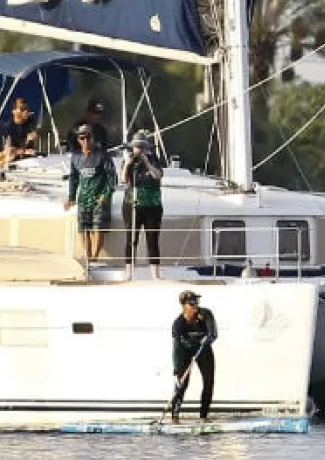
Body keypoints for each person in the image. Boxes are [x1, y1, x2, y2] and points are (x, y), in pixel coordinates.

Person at [63, 123, 117, 263]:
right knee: (82, 228)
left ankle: (94, 257)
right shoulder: (75, 157)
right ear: (78, 140)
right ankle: (87, 257)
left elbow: (113, 179)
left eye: (88, 137)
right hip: (84, 197)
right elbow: (74, 177)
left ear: (93, 138)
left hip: (99, 198)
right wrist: (71, 197)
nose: (85, 141)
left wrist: (105, 195)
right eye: (82, 138)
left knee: (98, 228)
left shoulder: (102, 155)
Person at [121, 133, 164, 277]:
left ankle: (155, 274)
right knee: (131, 239)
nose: (139, 149)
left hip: (152, 205)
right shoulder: (129, 161)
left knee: (153, 240)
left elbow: (158, 175)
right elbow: (123, 180)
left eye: (142, 147)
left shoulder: (153, 159)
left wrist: (147, 163)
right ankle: (129, 273)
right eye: (137, 147)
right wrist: (127, 163)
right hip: (131, 203)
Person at [170, 290, 216, 424]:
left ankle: (203, 416)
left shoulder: (205, 314)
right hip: (185, 350)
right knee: (182, 383)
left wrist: (208, 339)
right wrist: (176, 370)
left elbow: (213, 332)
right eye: (191, 303)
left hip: (203, 348)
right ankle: (175, 417)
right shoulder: (178, 324)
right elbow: (177, 349)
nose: (195, 305)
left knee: (208, 380)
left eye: (196, 301)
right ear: (184, 305)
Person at [0, 97, 39, 165]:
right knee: (10, 156)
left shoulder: (31, 122)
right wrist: (24, 150)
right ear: (13, 112)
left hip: (26, 159)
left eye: (27, 109)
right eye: (22, 109)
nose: (25, 111)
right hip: (7, 158)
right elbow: (8, 151)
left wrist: (29, 141)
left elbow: (31, 143)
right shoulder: (8, 127)